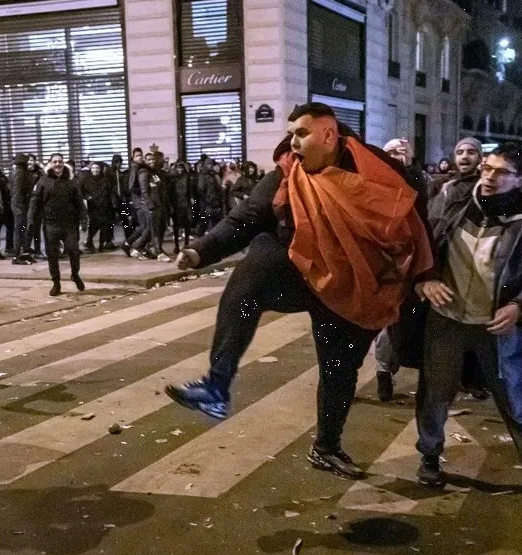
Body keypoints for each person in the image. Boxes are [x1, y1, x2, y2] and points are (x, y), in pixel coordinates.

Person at [166, 103, 433, 480]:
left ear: (329, 135)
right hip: (300, 272)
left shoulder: (374, 166)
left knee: (339, 370)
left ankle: (326, 447)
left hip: (353, 284)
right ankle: (216, 385)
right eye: (291, 133)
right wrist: (200, 251)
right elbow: (245, 218)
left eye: (301, 133)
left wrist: (426, 272)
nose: (292, 142)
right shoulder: (287, 173)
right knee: (250, 278)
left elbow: (412, 212)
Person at [414, 142, 522, 512]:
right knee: (434, 393)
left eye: (499, 172)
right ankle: (430, 457)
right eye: (486, 167)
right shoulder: (455, 199)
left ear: (519, 178)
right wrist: (424, 279)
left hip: (500, 327)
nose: (488, 176)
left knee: (517, 401)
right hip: (446, 320)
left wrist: (521, 305)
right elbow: (421, 244)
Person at [429, 137, 490, 400]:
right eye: (460, 152)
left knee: (478, 326)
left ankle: (474, 378)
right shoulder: (445, 187)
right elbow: (433, 221)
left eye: (471, 152)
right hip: (448, 263)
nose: (465, 157)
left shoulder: (488, 187)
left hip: (479, 266)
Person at [372, 138, 432, 401]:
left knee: (411, 324)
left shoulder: (421, 180)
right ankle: (383, 372)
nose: (396, 157)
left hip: (414, 262)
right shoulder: (372, 181)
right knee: (386, 324)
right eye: (390, 152)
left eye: (401, 153)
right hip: (383, 264)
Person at [28, 153, 86, 296]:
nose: (58, 165)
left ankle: (75, 274)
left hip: (69, 224)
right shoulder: (43, 181)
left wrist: (84, 219)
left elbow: (79, 202)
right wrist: (30, 220)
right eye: (55, 162)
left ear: (63, 163)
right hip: (51, 224)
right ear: (50, 164)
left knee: (73, 250)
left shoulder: (71, 181)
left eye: (60, 162)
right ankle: (56, 283)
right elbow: (35, 202)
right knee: (52, 255)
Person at [81, 162, 117, 253]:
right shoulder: (86, 180)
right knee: (93, 225)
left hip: (105, 206)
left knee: (104, 227)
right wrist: (87, 196)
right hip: (93, 206)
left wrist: (113, 203)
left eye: (97, 168)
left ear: (100, 169)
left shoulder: (106, 180)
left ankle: (101, 245)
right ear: (91, 169)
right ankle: (89, 241)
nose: (95, 170)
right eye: (93, 168)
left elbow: (111, 192)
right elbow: (82, 191)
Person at [10, 153, 37, 265]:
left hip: (20, 205)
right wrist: (21, 206)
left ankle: (22, 253)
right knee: (20, 230)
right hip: (20, 206)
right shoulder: (20, 173)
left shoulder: (19, 172)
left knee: (22, 230)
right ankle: (17, 255)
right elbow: (18, 192)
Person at [169, 159, 194, 254]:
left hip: (185, 204)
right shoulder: (172, 178)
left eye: (181, 167)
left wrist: (191, 198)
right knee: (176, 227)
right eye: (178, 167)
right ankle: (176, 245)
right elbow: (170, 192)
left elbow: (190, 189)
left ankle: (186, 244)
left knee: (187, 225)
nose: (180, 169)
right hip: (176, 204)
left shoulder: (187, 177)